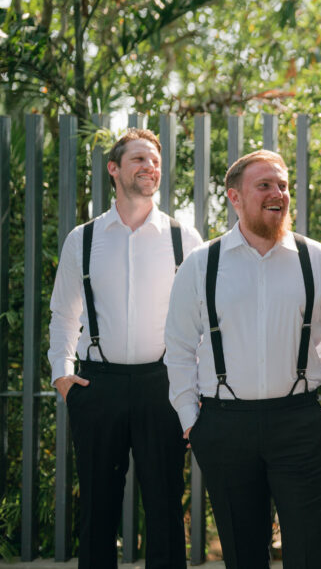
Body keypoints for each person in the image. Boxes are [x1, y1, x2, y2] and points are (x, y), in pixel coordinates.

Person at [164, 150, 321, 569]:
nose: (278, 194)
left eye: (283, 186)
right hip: (223, 425)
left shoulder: (316, 259)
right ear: (234, 197)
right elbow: (178, 347)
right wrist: (190, 421)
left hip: (299, 423)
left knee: (309, 553)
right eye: (265, 185)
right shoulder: (201, 264)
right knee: (242, 553)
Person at [48, 128, 203, 569]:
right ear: (113, 168)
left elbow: (201, 323)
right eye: (138, 159)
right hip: (99, 386)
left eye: (155, 161)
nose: (149, 167)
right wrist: (62, 376)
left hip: (163, 385)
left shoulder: (184, 238)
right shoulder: (83, 239)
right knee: (96, 509)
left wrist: (193, 390)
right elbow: (63, 314)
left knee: (166, 507)